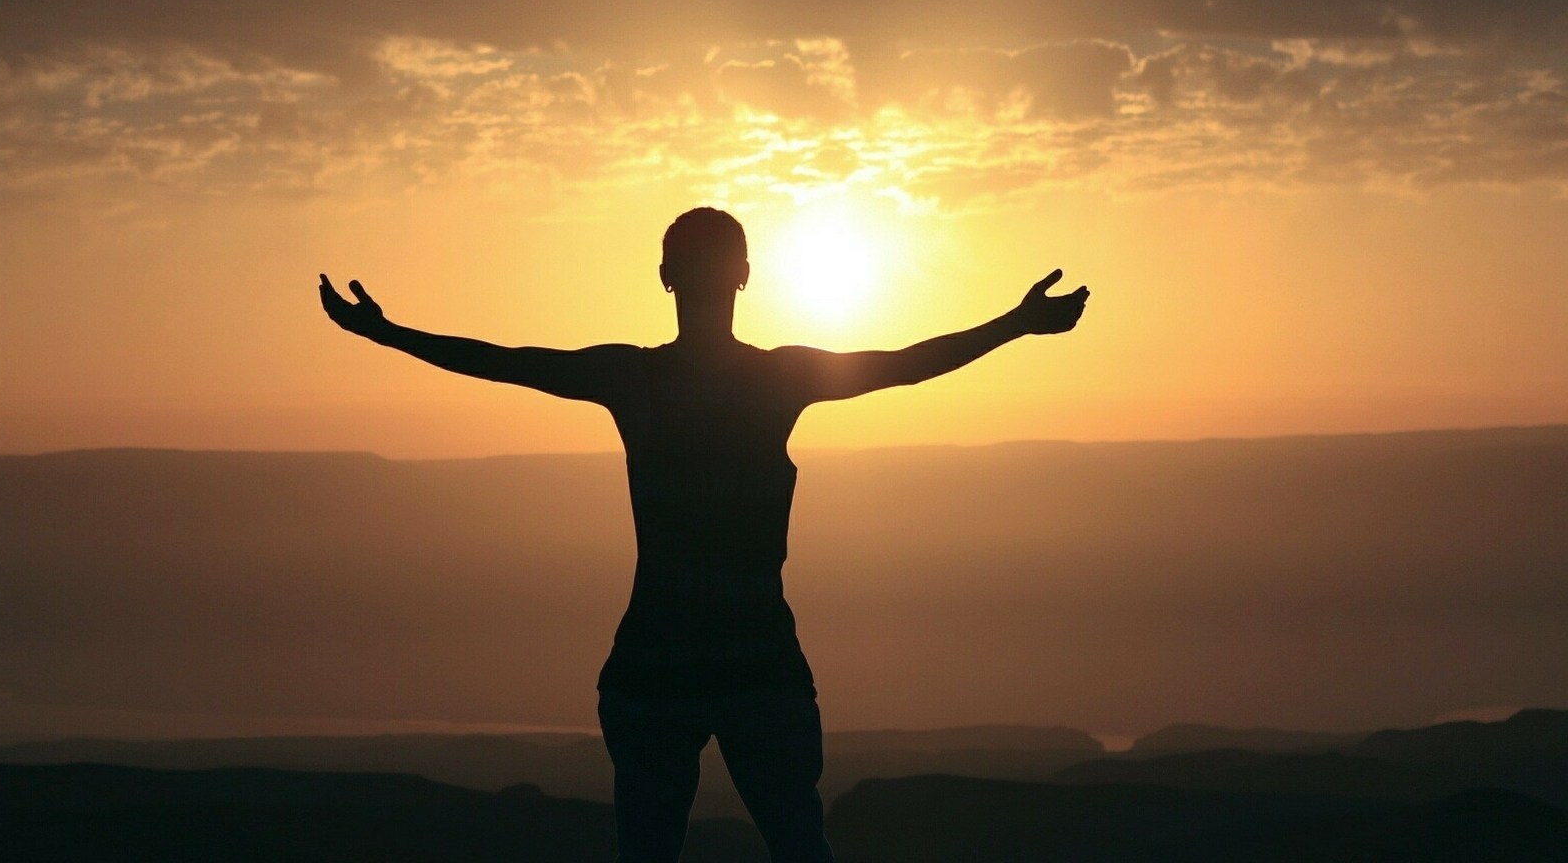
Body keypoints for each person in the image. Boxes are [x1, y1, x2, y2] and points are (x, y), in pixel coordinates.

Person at [319, 206, 1089, 863]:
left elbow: (505, 365)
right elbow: (906, 367)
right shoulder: (777, 379)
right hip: (755, 655)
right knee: (796, 842)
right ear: (745, 276)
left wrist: (388, 336)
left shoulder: (635, 379)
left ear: (664, 276)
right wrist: (1016, 324)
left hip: (658, 656)